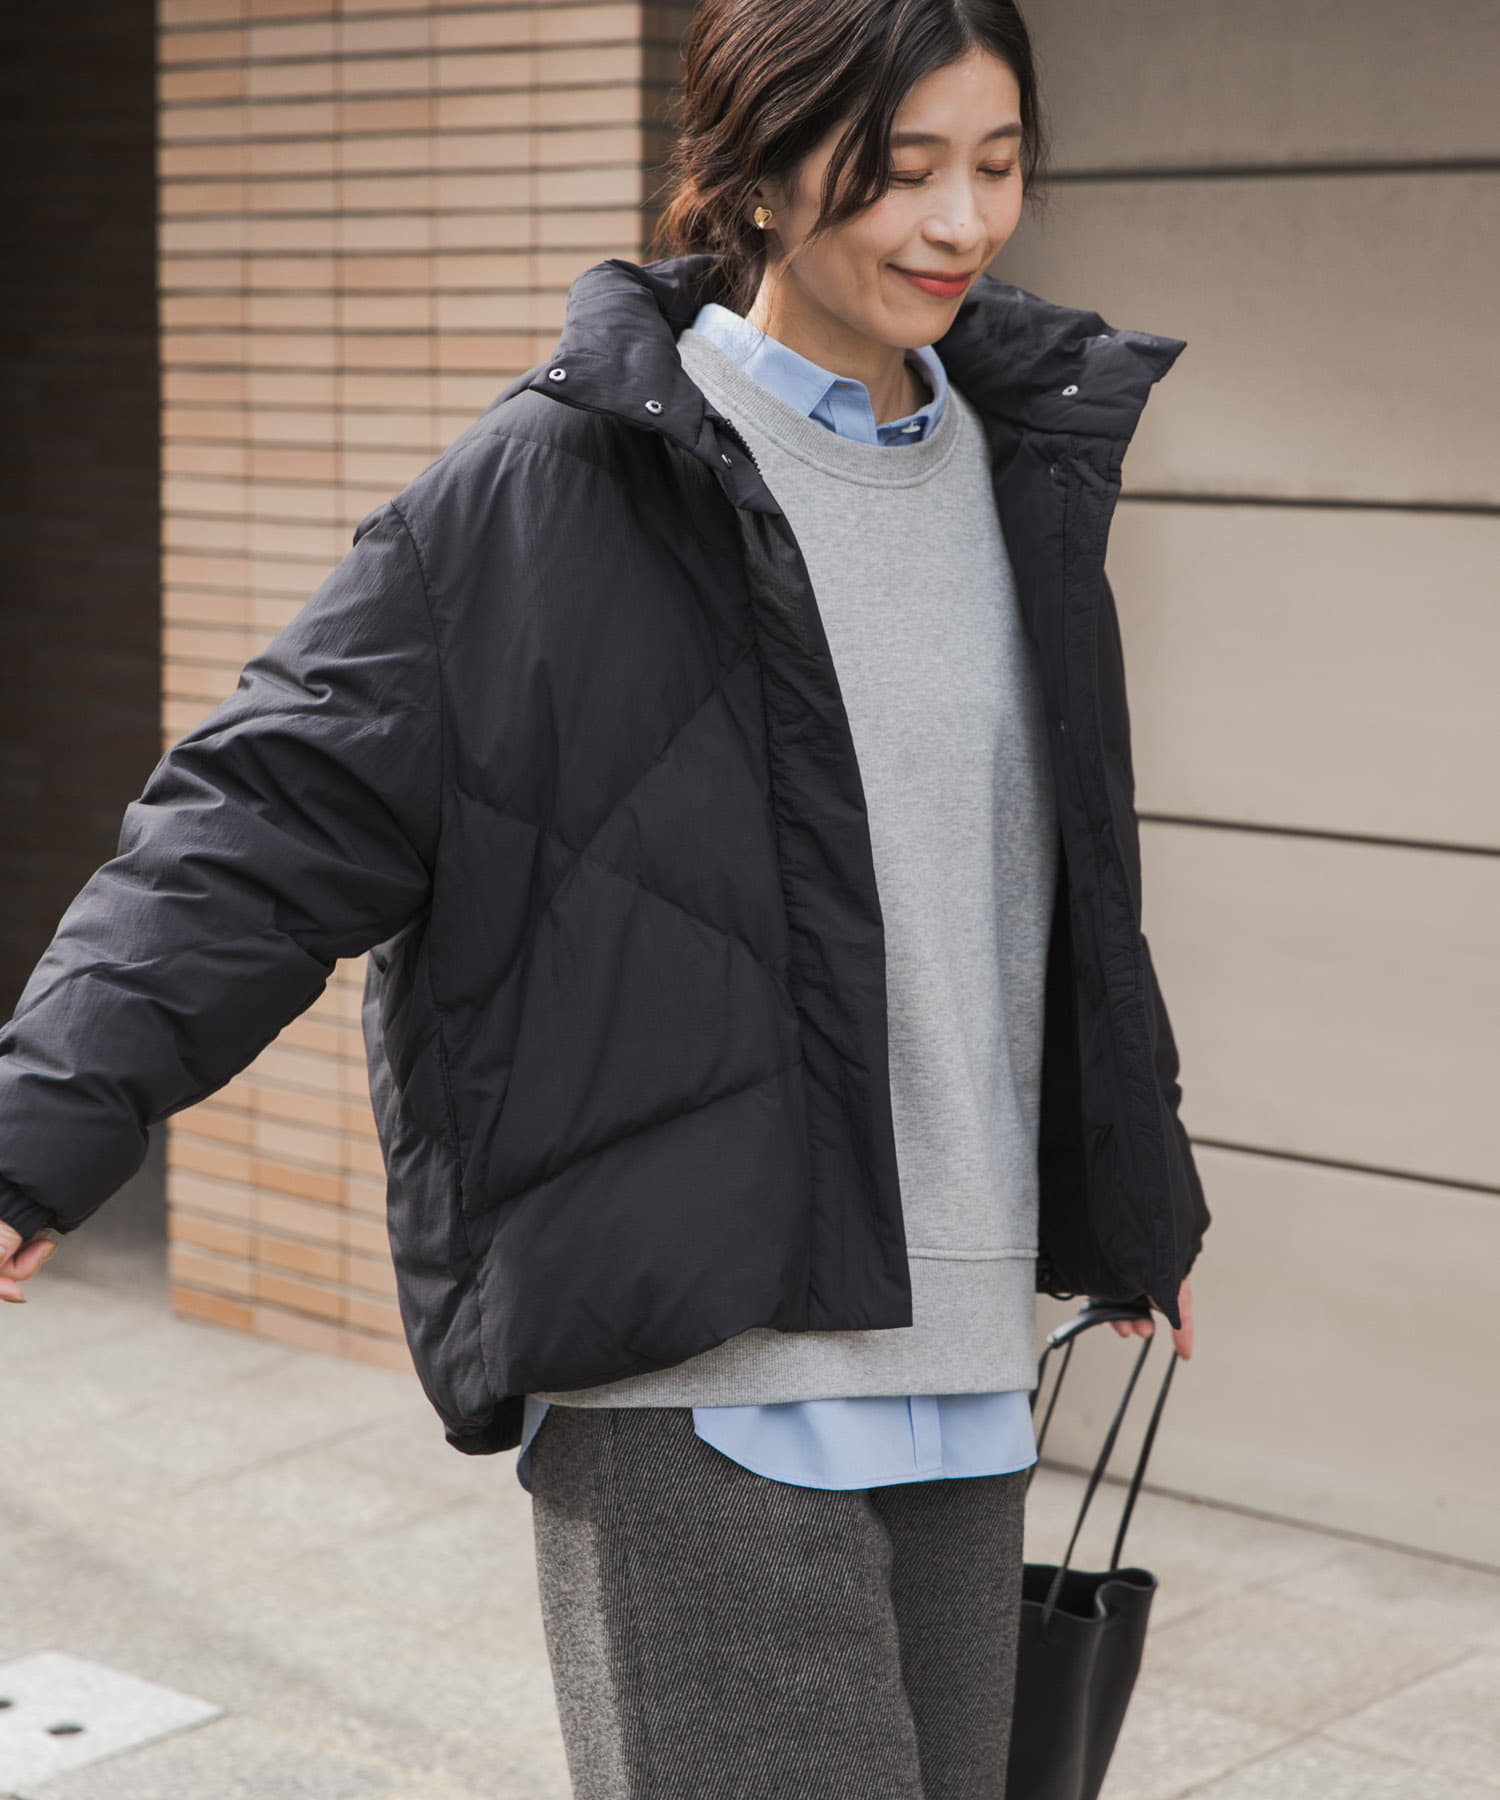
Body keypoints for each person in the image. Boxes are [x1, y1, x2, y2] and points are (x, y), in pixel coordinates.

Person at [0, 0, 1208, 1793]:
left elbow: (1044, 874)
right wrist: (34, 1130)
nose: (961, 222)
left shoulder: (1018, 467)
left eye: (998, 163)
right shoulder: (546, 490)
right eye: (900, 172)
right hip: (695, 1369)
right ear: (757, 166)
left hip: (967, 1369)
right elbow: (259, 817)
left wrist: (1132, 1184)